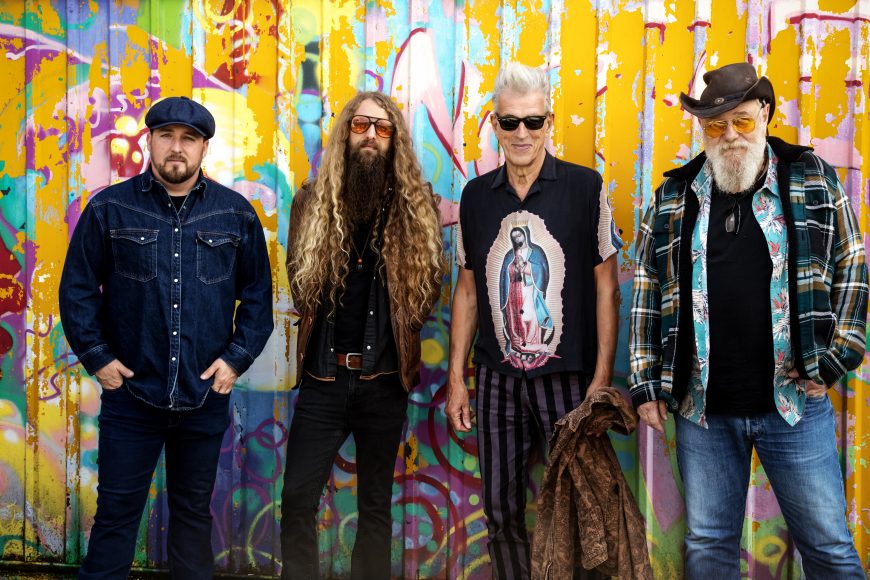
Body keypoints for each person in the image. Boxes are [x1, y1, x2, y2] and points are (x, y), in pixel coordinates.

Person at [629, 62, 867, 578]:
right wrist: (646, 382)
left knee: (828, 547)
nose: (730, 135)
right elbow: (648, 287)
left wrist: (836, 359)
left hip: (793, 403)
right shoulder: (674, 195)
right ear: (703, 129)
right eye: (716, 125)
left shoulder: (811, 178)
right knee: (708, 545)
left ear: (765, 114)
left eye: (741, 120)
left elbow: (852, 264)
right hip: (703, 410)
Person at [59, 96, 274, 579]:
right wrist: (99, 359)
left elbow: (259, 299)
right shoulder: (110, 208)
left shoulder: (234, 215)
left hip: (203, 397)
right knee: (116, 517)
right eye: (167, 136)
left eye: (189, 139)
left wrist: (234, 361)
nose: (177, 148)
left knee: (193, 518)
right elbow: (76, 291)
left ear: (204, 148)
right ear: (149, 141)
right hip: (132, 398)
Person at [446, 62, 622, 580]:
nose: (521, 132)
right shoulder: (475, 196)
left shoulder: (586, 188)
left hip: (568, 379)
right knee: (500, 508)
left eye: (533, 120)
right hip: (496, 378)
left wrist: (600, 378)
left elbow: (607, 287)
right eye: (510, 122)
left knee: (583, 505)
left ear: (549, 122)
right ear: (494, 125)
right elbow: (468, 291)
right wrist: (456, 380)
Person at [281, 91, 444, 579]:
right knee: (297, 499)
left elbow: (427, 288)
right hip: (323, 381)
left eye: (383, 127)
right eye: (361, 125)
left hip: (382, 382)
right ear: (345, 133)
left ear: (394, 140)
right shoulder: (311, 201)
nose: (371, 134)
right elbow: (300, 284)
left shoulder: (415, 207)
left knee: (375, 507)